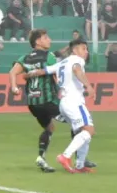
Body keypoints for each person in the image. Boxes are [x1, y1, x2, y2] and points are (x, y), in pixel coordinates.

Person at [24, 39, 95, 173]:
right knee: (89, 130)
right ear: (74, 50)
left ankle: (80, 165)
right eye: (83, 49)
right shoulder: (77, 60)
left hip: (64, 103)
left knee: (81, 132)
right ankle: (65, 156)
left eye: (86, 49)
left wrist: (27, 75)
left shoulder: (62, 62)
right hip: (74, 101)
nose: (86, 52)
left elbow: (43, 71)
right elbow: (77, 70)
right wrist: (89, 86)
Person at [10, 29, 65, 174]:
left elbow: (13, 72)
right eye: (46, 37)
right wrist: (63, 90)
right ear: (38, 41)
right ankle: (78, 160)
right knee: (79, 123)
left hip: (33, 103)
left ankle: (41, 157)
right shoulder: (49, 56)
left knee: (49, 128)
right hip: (48, 100)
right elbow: (55, 75)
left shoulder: (25, 58)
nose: (49, 40)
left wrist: (14, 87)